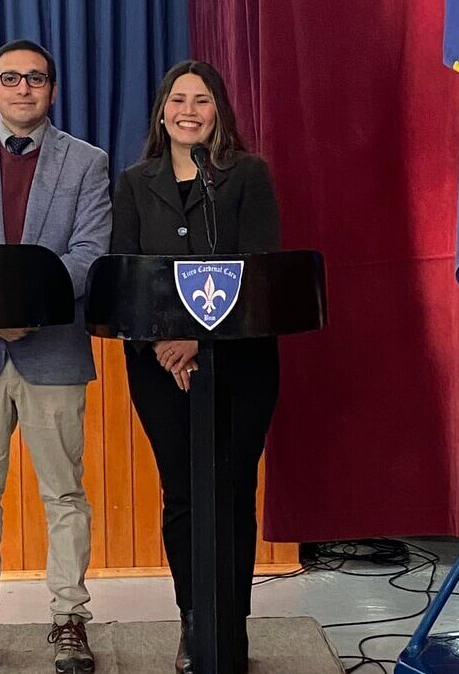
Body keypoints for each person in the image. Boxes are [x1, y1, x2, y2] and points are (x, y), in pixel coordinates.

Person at [0, 39, 111, 674]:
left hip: (52, 349)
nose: (24, 88)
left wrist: (26, 312)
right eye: (11, 78)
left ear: (52, 91)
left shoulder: (88, 163)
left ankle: (68, 620)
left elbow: (90, 252)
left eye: (36, 78)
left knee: (64, 493)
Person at [110, 60, 280, 674]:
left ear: (219, 111)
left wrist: (202, 345)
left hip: (241, 366)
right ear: (162, 110)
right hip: (160, 368)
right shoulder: (133, 183)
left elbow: (259, 273)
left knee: (232, 492)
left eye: (201, 100)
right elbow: (123, 274)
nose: (189, 110)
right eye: (177, 99)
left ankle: (228, 630)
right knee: (182, 493)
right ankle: (192, 624)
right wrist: (164, 342)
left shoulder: (246, 176)